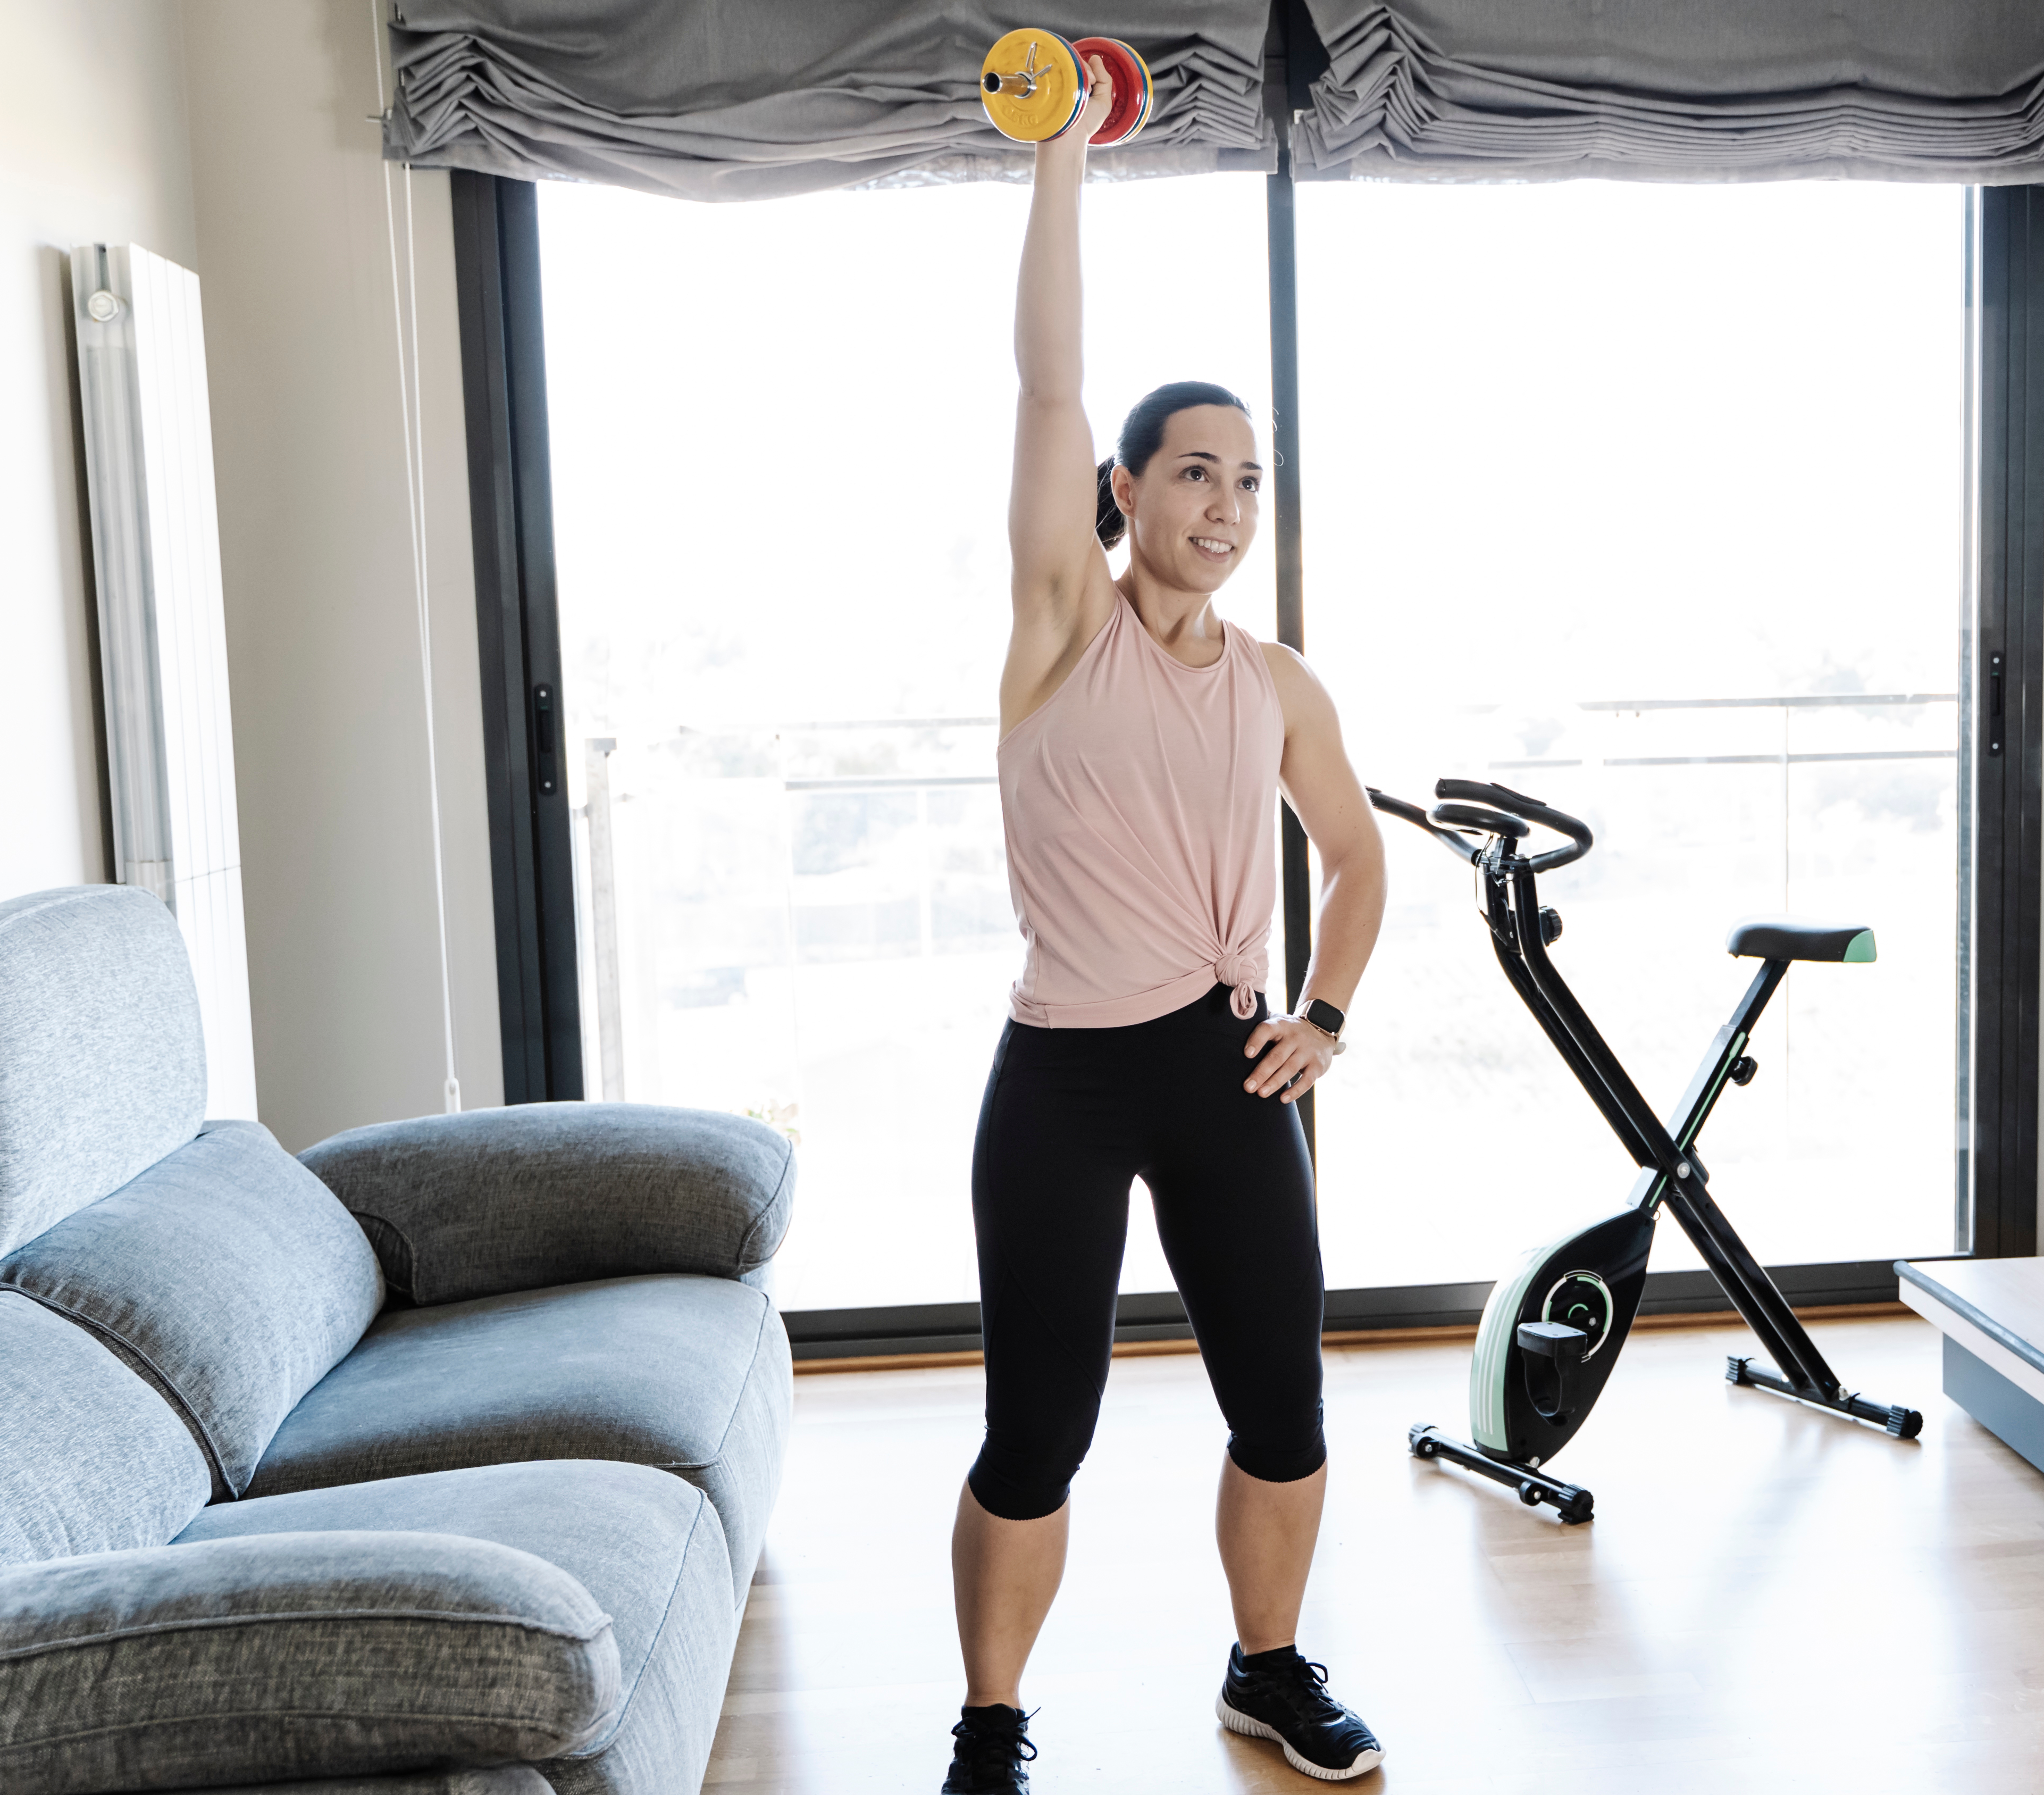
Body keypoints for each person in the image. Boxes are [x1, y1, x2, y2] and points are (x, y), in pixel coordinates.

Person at [938, 53, 1392, 1795]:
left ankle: (1266, 1669)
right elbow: (1049, 382)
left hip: (1228, 1074)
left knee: (1283, 1406)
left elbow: (1355, 860)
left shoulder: (1281, 685)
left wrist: (1326, 1013)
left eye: (1248, 481)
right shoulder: (1063, 630)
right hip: (1063, 1078)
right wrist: (1060, 160)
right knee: (1036, 1431)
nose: (1222, 504)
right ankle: (993, 1722)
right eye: (1192, 473)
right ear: (1120, 496)